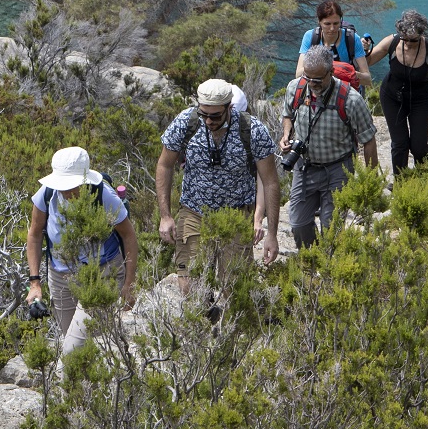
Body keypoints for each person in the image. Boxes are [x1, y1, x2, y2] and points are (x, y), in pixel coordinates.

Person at [155, 78, 282, 292]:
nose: (207, 121)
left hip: (235, 215)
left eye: (214, 116)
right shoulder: (186, 122)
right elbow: (164, 165)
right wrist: (165, 215)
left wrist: (271, 234)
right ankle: (206, 319)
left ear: (229, 108)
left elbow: (270, 182)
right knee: (190, 284)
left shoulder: (252, 130)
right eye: (203, 114)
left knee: (233, 286)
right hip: (194, 211)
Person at [25, 147, 140, 353]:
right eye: (63, 185)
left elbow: (128, 236)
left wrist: (129, 284)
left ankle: (70, 381)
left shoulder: (104, 197)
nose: (67, 191)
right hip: (61, 277)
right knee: (72, 339)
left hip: (102, 274)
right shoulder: (47, 194)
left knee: (73, 348)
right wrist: (35, 282)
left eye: (72, 185)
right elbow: (34, 234)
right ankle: (90, 384)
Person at [279, 45, 379, 248]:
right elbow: (288, 114)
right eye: (308, 77)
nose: (312, 84)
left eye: (318, 79)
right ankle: (311, 262)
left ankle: (329, 267)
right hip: (305, 168)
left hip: (338, 171)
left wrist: (370, 179)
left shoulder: (350, 100)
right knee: (298, 224)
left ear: (331, 72)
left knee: (331, 228)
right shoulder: (296, 88)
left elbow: (368, 140)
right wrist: (286, 134)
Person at [365, 9, 428, 172]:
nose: (409, 44)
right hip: (392, 96)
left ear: (422, 35)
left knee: (419, 146)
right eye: (406, 40)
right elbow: (368, 61)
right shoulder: (391, 42)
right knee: (399, 143)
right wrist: (364, 49)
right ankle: (401, 183)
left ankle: (423, 178)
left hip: (421, 99)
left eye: (414, 40)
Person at [293, 0, 370, 78]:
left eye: (336, 23)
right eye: (327, 24)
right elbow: (298, 74)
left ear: (341, 21)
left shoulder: (352, 39)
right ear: (319, 22)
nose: (332, 28)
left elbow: (367, 77)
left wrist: (344, 72)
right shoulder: (310, 37)